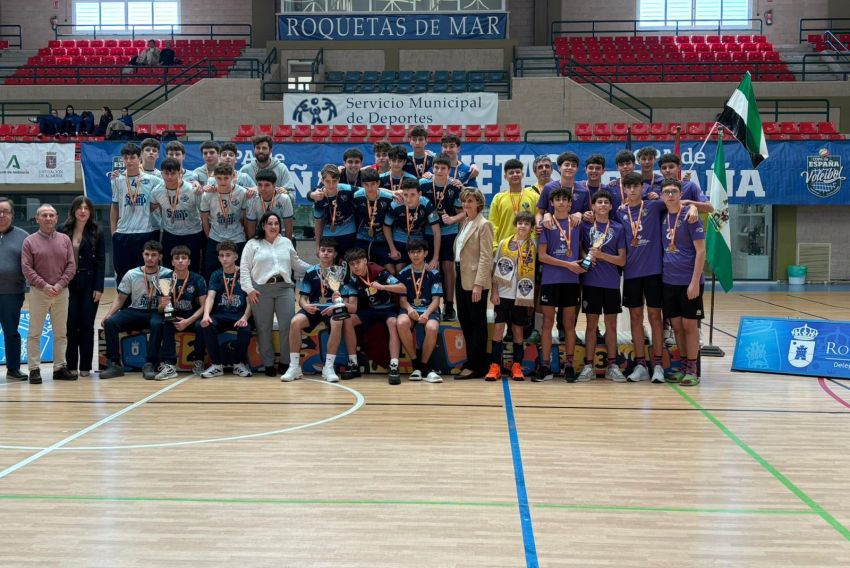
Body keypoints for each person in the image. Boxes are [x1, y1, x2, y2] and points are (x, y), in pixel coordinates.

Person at [617, 172, 701, 384]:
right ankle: (640, 365)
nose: (633, 190)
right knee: (635, 319)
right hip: (632, 274)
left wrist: (694, 206)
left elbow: (683, 205)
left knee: (656, 319)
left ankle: (657, 366)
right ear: (624, 190)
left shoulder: (655, 206)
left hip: (655, 273)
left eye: (637, 186)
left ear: (643, 188)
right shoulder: (619, 213)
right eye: (629, 187)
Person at [240, 211, 309, 377]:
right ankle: (268, 364)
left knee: (288, 326)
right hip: (260, 290)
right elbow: (244, 268)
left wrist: (317, 269)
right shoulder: (252, 244)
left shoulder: (286, 242)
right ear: (263, 225)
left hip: (284, 288)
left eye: (276, 223)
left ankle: (286, 363)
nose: (273, 226)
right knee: (264, 328)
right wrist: (249, 290)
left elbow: (297, 264)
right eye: (269, 223)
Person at [99, 240, 173, 380]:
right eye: (147, 254)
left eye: (153, 255)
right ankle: (114, 364)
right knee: (110, 323)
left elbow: (170, 300)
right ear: (142, 255)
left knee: (157, 324)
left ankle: (150, 363)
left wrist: (168, 314)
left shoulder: (167, 274)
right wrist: (108, 315)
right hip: (135, 310)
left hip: (156, 311)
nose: (150, 258)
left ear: (160, 257)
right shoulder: (131, 274)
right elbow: (120, 299)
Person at [21, 204, 77, 384]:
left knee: (61, 333)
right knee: (35, 333)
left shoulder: (64, 240)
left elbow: (71, 265)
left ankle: (59, 368)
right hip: (39, 292)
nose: (48, 218)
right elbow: (26, 268)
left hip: (61, 292)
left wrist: (60, 285)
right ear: (37, 219)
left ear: (56, 218)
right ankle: (34, 369)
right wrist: (44, 286)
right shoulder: (29, 241)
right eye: (44, 215)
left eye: (51, 215)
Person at [281, 238, 350, 383]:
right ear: (318, 252)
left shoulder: (341, 273)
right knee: (295, 322)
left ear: (335, 254)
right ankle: (294, 367)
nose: (325, 254)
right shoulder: (311, 272)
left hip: (332, 308)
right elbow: (302, 298)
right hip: (313, 308)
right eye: (323, 250)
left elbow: (346, 299)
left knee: (337, 322)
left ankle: (328, 367)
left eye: (329, 251)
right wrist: (305, 306)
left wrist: (337, 304)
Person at [576, 190, 627, 382]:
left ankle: (613, 365)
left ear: (611, 206)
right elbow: (581, 247)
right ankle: (588, 365)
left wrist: (601, 255)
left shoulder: (618, 228)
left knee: (611, 325)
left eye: (606, 202)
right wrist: (587, 257)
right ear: (593, 206)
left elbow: (622, 260)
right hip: (591, 283)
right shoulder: (585, 226)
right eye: (599, 202)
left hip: (611, 284)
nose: (603, 205)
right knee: (591, 325)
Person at [535, 187, 585, 382]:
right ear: (552, 203)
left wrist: (585, 262)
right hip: (551, 280)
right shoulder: (547, 224)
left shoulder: (577, 223)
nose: (562, 202)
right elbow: (542, 256)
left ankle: (570, 365)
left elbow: (581, 249)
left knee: (569, 324)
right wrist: (568, 264)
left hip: (571, 281)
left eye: (565, 199)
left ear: (570, 203)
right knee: (547, 323)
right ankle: (545, 365)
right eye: (558, 199)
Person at [660, 179, 706, 387]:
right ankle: (682, 366)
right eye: (666, 192)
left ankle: (693, 369)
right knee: (677, 326)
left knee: (690, 326)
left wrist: (695, 282)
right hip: (669, 281)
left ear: (680, 195)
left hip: (689, 281)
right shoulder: (662, 216)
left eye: (674, 192)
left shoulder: (691, 217)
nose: (670, 195)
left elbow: (701, 251)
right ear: (662, 196)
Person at [342, 247, 406, 381]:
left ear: (365, 261)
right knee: (348, 319)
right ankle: (353, 364)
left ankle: (394, 366)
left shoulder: (380, 272)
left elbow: (402, 287)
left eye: (358, 262)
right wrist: (338, 302)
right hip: (369, 310)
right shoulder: (353, 280)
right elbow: (353, 308)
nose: (355, 266)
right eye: (352, 264)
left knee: (393, 322)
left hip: (388, 309)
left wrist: (383, 287)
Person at [487, 211, 537, 382]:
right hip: (502, 294)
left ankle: (516, 366)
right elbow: (495, 268)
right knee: (499, 330)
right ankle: (495, 366)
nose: (522, 226)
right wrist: (494, 291)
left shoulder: (534, 246)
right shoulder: (504, 243)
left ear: (531, 228)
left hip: (521, 295)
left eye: (526, 223)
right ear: (515, 225)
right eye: (520, 223)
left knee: (517, 331)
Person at [61, 196, 105, 378]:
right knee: (70, 325)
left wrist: (99, 287)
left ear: (91, 212)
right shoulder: (62, 231)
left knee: (86, 325)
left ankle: (85, 366)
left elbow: (101, 261)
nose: (83, 211)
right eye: (79, 207)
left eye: (86, 208)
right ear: (73, 210)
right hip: (68, 283)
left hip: (89, 283)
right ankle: (71, 365)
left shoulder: (97, 232)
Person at [196, 241, 253, 378]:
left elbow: (250, 300)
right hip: (220, 314)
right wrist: (206, 315)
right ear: (218, 258)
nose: (225, 258)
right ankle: (216, 365)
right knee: (204, 324)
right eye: (221, 255)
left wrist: (245, 317)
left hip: (239, 314)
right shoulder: (216, 275)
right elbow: (210, 297)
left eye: (228, 255)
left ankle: (239, 364)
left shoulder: (244, 274)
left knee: (246, 329)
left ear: (236, 257)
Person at [454, 188, 494, 379]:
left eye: (470, 201)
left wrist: (479, 284)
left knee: (477, 323)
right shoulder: (466, 222)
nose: (466, 204)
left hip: (475, 280)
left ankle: (477, 365)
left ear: (479, 204)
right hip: (461, 277)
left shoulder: (484, 224)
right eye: (464, 201)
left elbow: (486, 257)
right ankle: (472, 360)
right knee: (465, 321)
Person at [153, 245, 208, 380]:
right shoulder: (166, 279)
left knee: (201, 325)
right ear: (172, 262)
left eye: (184, 258)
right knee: (166, 323)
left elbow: (204, 306)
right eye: (177, 258)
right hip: (173, 315)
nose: (180, 261)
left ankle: (199, 361)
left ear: (189, 261)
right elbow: (161, 309)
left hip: (192, 317)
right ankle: (169, 365)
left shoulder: (197, 279)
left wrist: (188, 321)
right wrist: (163, 305)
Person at [420, 153, 463, 320]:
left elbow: (464, 213)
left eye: (443, 168)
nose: (439, 170)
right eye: (436, 167)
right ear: (432, 168)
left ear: (449, 170)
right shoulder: (423, 184)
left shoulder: (455, 187)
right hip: (427, 231)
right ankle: (429, 303)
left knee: (447, 266)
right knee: (428, 267)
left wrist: (453, 218)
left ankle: (449, 306)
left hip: (448, 231)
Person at [110, 142, 160, 285]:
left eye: (132, 157)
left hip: (145, 232)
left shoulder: (153, 180)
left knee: (146, 273)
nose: (129, 161)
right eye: (126, 158)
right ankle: (124, 306)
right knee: (123, 274)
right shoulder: (117, 180)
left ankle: (145, 304)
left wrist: (148, 209)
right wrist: (114, 232)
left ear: (139, 159)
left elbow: (162, 200)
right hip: (123, 233)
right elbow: (114, 207)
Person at [395, 239, 443, 385]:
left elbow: (436, 300)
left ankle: (422, 366)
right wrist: (409, 309)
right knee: (401, 322)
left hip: (429, 309)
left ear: (425, 253)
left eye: (418, 252)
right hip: (410, 309)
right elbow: (402, 300)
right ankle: (415, 363)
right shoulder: (403, 273)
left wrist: (427, 314)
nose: (415, 255)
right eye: (412, 252)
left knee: (432, 327)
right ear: (408, 254)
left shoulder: (434, 273)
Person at [200, 163, 248, 278]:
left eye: (226, 178)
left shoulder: (241, 192)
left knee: (240, 273)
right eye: (219, 178)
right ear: (214, 177)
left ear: (233, 176)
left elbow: (245, 217)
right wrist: (210, 237)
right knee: (210, 271)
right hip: (215, 237)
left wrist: (244, 234)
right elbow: (204, 219)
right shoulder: (207, 194)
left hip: (237, 237)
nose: (222, 182)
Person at [384, 178, 440, 273]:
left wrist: (435, 258)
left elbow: (436, 232)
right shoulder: (395, 204)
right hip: (399, 237)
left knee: (426, 268)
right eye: (405, 195)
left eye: (413, 195)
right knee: (399, 268)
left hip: (418, 238)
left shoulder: (426, 204)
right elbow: (386, 226)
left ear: (420, 194)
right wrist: (392, 249)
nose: (408, 199)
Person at [0, 197, 29, 381]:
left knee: (11, 331)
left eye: (5, 211)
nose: (2, 215)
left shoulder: (24, 237)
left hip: (12, 294)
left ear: (12, 214)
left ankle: (13, 369)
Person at [310, 164, 358, 259]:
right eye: (327, 181)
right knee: (330, 265)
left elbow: (370, 191)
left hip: (349, 233)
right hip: (328, 235)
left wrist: (392, 192)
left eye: (334, 181)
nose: (331, 185)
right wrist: (317, 246)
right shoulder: (319, 197)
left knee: (348, 262)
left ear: (339, 180)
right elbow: (318, 222)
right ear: (322, 181)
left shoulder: (348, 189)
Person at [353, 167, 395, 272]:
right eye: (366, 184)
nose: (370, 188)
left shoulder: (389, 198)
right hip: (362, 238)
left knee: (392, 271)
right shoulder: (357, 196)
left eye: (372, 184)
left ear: (378, 183)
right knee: (358, 268)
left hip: (381, 240)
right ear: (362, 184)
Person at [490, 158, 539, 249]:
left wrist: (534, 242)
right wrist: (494, 246)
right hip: (504, 246)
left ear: (522, 175)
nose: (515, 175)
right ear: (505, 176)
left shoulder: (534, 197)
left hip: (528, 247)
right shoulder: (498, 198)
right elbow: (493, 225)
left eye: (517, 172)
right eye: (511, 173)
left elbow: (537, 222)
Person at [245, 169, 294, 241]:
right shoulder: (253, 199)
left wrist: (287, 245)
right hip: (260, 236)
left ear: (274, 185)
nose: (263, 188)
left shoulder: (284, 198)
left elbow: (289, 225)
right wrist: (252, 245)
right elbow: (251, 226)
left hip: (280, 236)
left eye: (267, 185)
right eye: (259, 185)